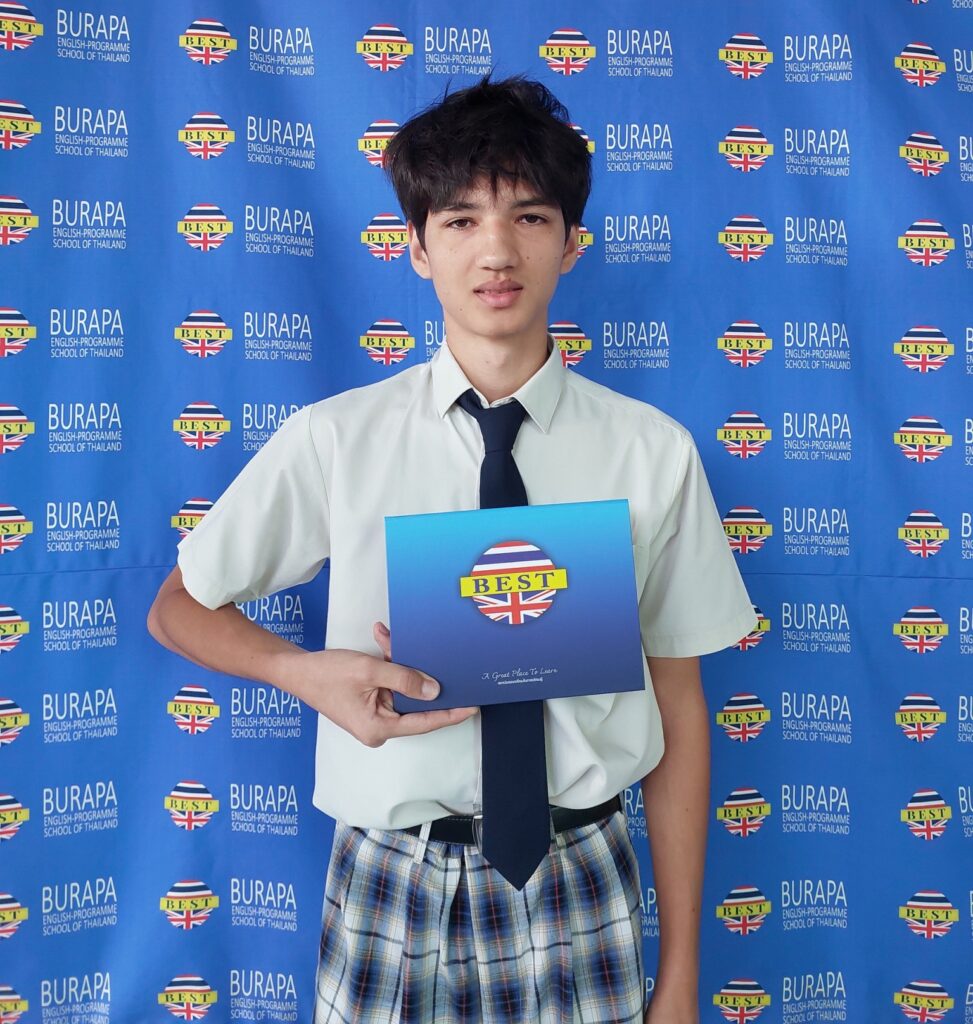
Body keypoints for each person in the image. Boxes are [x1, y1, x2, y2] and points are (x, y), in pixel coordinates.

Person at [147, 75, 756, 1024]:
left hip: (582, 875)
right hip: (390, 879)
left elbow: (677, 700)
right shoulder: (338, 438)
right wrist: (302, 673)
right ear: (417, 246)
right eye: (462, 220)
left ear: (572, 242)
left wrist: (679, 974)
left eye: (530, 217)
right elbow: (177, 606)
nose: (497, 250)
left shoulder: (650, 452)